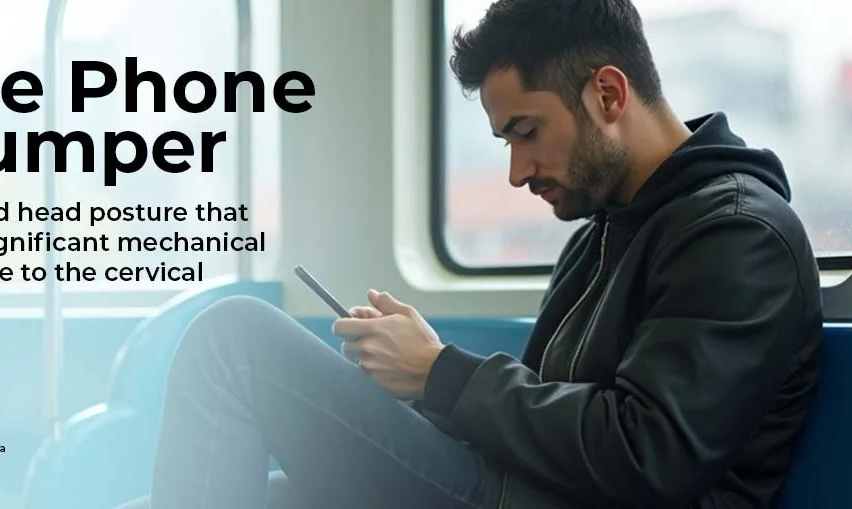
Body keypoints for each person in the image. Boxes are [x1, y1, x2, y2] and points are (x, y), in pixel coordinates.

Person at [124, 0, 823, 507]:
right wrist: (417, 382)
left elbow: (650, 457)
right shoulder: (604, 232)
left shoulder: (737, 234)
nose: (517, 171)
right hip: (527, 490)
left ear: (608, 93)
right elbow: (548, 420)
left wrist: (441, 374)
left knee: (236, 340)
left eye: (526, 131)